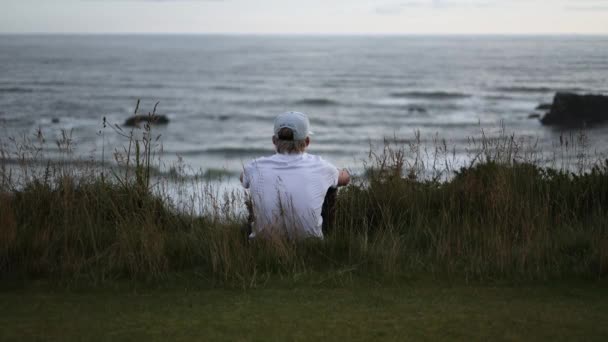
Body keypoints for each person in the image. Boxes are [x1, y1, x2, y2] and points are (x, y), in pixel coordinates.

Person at [240, 111, 350, 239]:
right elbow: (346, 178)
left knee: (257, 187)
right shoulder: (321, 167)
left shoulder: (256, 166)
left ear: (274, 141)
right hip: (310, 244)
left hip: (262, 244)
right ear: (307, 141)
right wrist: (333, 172)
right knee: (332, 186)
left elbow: (243, 178)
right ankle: (328, 235)